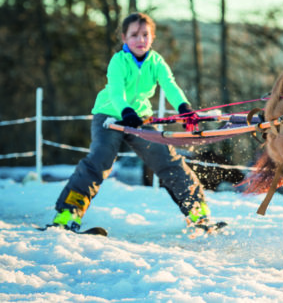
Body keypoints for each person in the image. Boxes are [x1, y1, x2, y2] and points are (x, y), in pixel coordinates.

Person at [52, 12, 216, 233]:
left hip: (140, 119)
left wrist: (184, 108)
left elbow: (170, 86)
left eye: (145, 34)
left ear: (152, 37)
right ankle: (67, 214)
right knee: (100, 158)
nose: (140, 40)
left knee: (167, 158)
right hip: (109, 116)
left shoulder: (156, 61)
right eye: (134, 35)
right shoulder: (118, 61)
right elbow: (117, 93)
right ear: (124, 38)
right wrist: (126, 111)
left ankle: (198, 213)